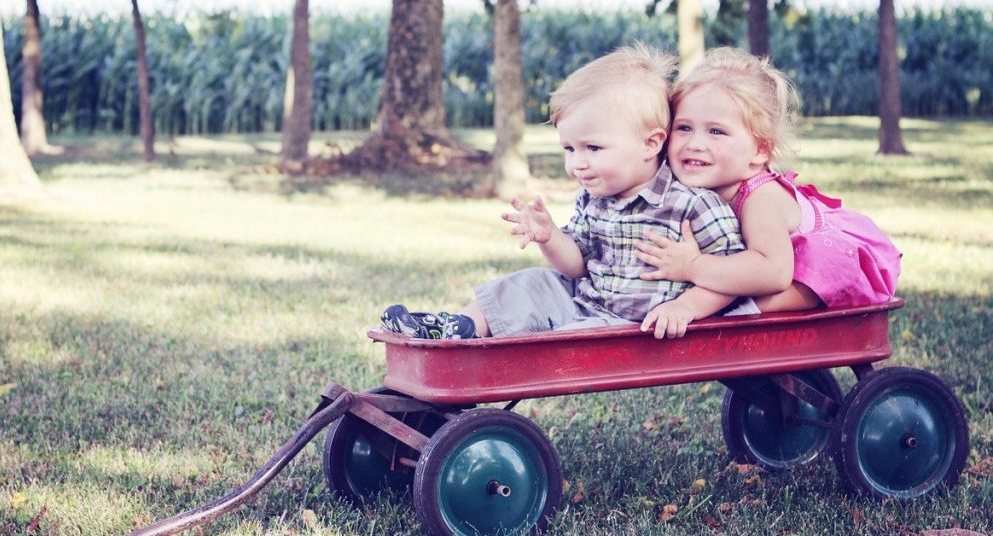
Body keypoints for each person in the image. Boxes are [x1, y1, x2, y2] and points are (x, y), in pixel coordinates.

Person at [380, 43, 748, 341]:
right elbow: (576, 266)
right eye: (569, 149)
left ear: (650, 144)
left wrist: (686, 307)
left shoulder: (692, 204)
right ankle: (459, 328)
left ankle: (503, 352)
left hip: (633, 327)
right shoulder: (593, 196)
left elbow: (733, 277)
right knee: (532, 282)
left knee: (566, 340)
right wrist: (551, 237)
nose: (577, 164)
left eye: (593, 148)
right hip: (586, 302)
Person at [635, 47, 901, 312]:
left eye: (716, 132)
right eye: (684, 128)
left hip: (828, 265)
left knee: (784, 286)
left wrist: (693, 267)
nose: (695, 143)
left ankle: (743, 313)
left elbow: (773, 272)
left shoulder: (761, 200)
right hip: (772, 263)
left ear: (760, 150)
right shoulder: (694, 184)